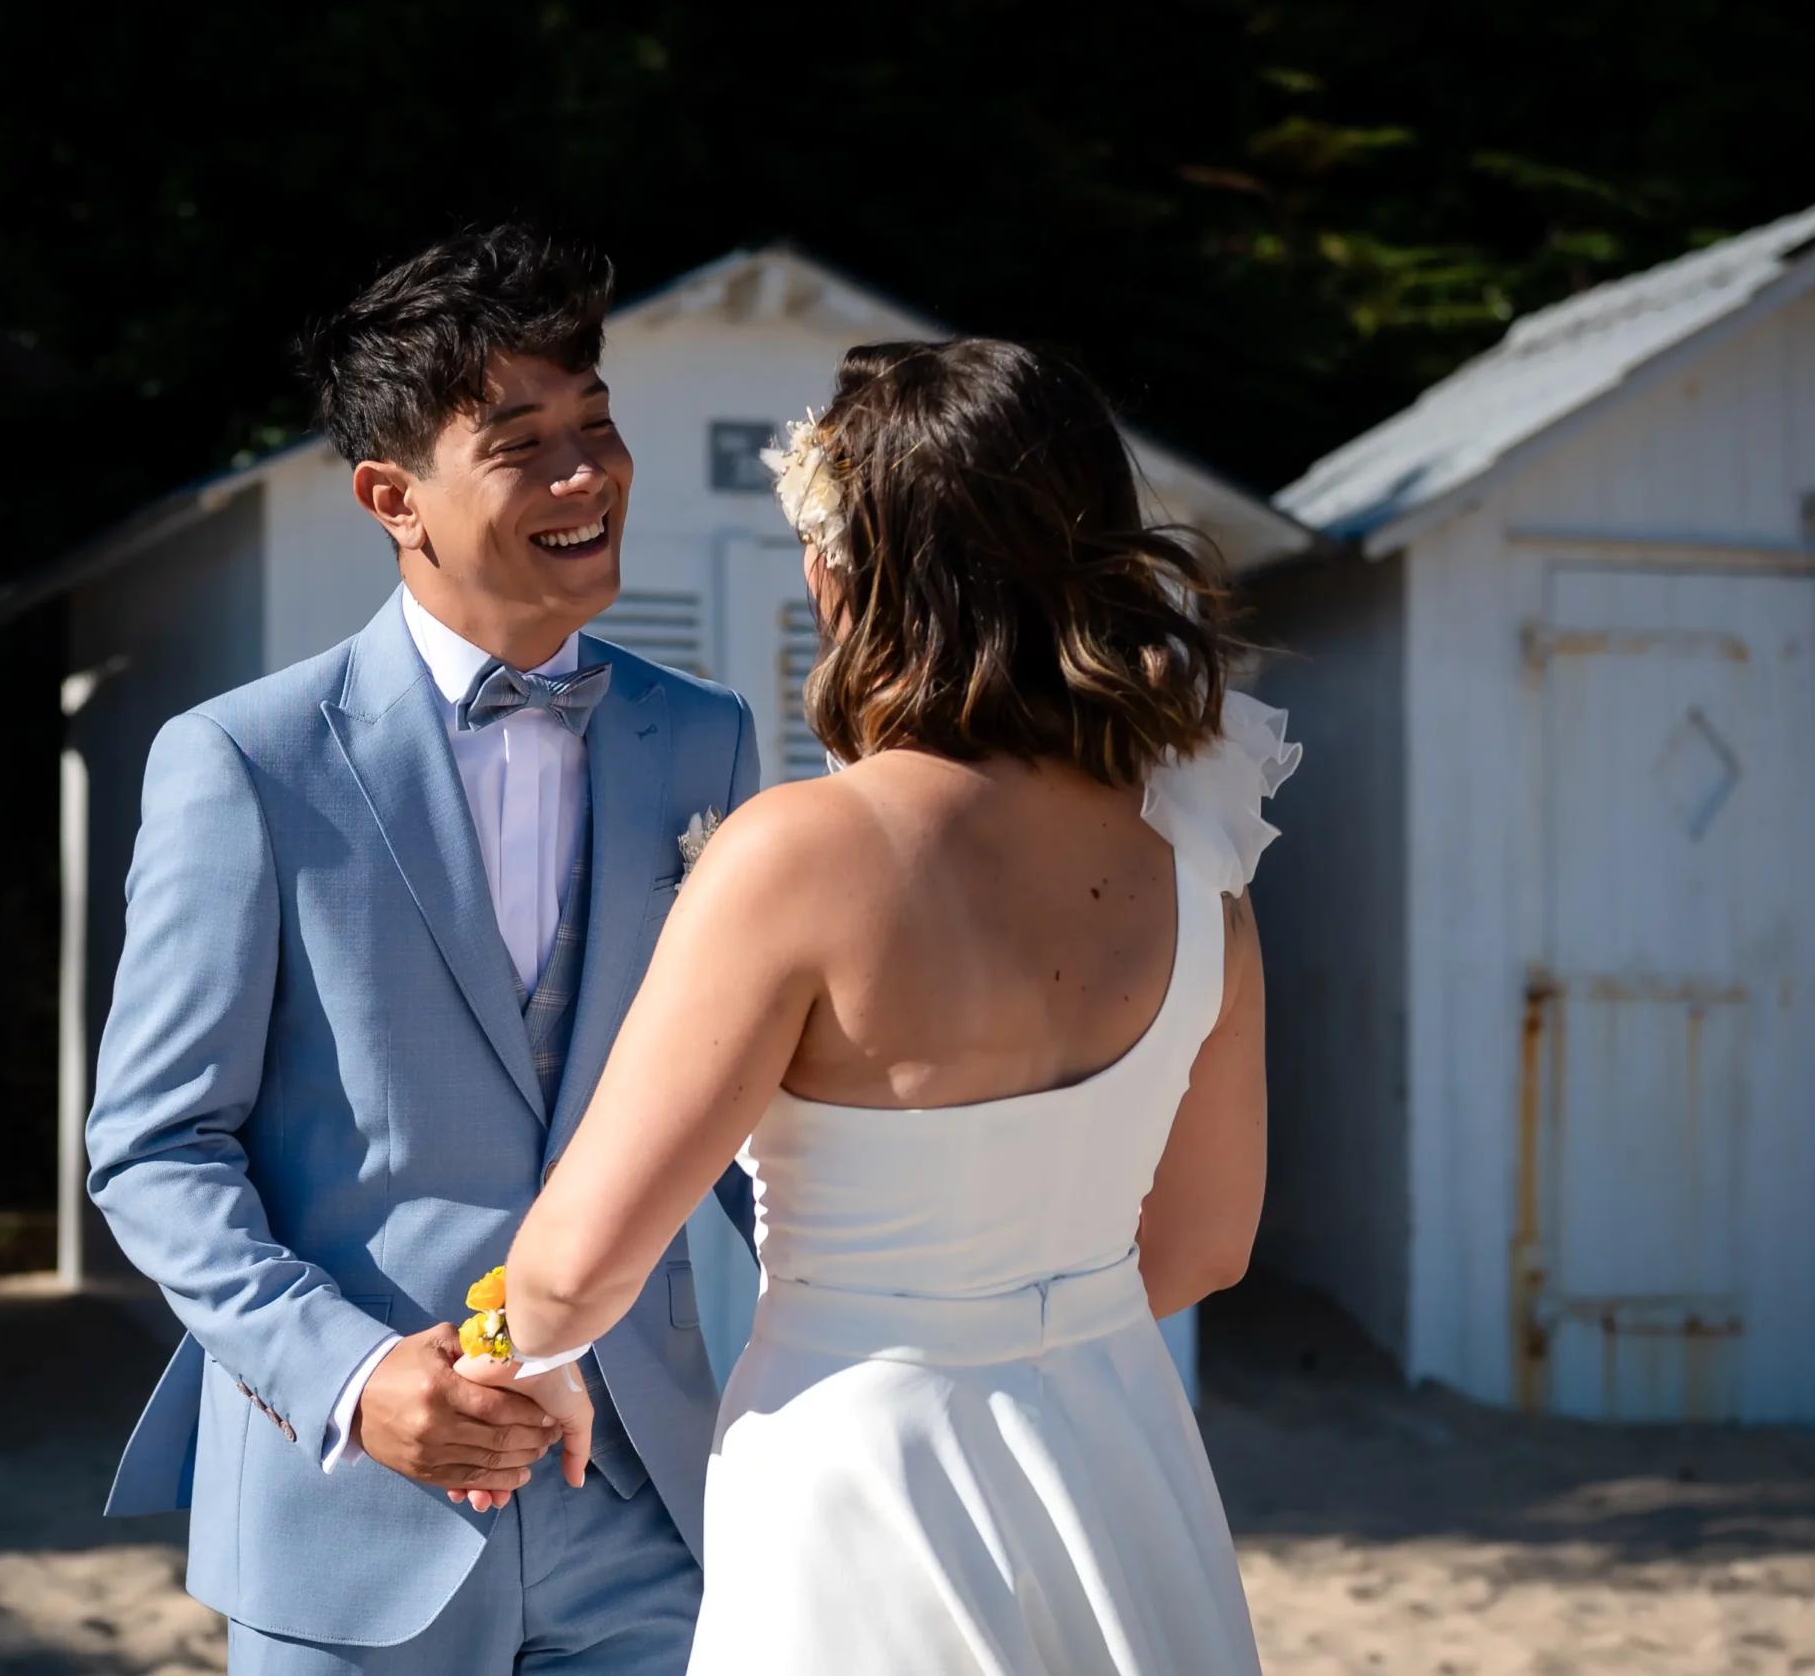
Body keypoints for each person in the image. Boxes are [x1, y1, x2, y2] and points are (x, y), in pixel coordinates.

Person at [463, 338, 1296, 1674]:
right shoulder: (1201, 869)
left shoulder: (801, 855)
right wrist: (1030, 1335)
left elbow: (577, 1260)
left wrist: (525, 1341)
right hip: (1116, 1456)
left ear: (850, 565)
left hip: (862, 1472)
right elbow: (1204, 1246)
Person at [83, 224, 759, 1674]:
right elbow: (152, 1146)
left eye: (598, 425)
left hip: (650, 1503)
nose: (589, 473)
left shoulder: (706, 741)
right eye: (526, 444)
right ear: (394, 497)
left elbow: (754, 1112)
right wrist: (352, 1375)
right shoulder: (244, 762)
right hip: (354, 1505)